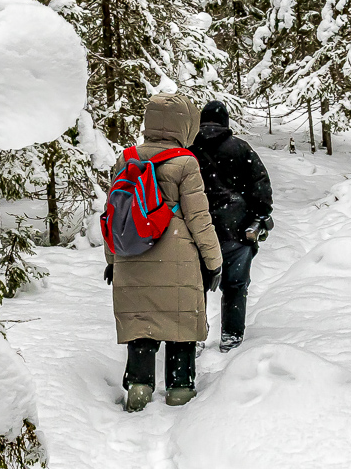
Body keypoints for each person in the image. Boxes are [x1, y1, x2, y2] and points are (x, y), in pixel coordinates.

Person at [104, 92, 223, 412]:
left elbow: (113, 214)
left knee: (141, 326)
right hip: (178, 260)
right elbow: (199, 218)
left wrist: (113, 259)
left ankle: (139, 389)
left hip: (131, 256)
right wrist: (213, 262)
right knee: (181, 326)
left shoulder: (127, 158)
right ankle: (179, 390)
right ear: (185, 125)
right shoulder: (185, 162)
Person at [190, 100, 274, 352]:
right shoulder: (241, 149)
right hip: (236, 231)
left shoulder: (188, 150)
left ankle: (193, 337)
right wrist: (259, 217)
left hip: (196, 231)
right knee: (236, 286)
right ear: (226, 121)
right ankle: (231, 335)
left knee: (195, 286)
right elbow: (262, 188)